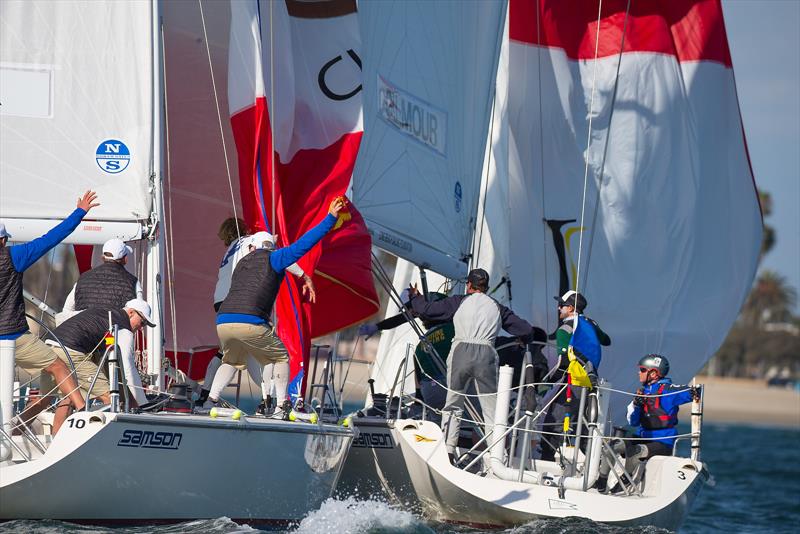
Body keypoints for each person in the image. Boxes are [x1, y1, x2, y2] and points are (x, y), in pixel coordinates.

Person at [205, 197, 347, 416]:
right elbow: (305, 243)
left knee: (231, 359)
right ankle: (281, 405)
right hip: (249, 319)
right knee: (279, 356)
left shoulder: (242, 260)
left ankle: (209, 400)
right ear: (271, 247)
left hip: (223, 319)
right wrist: (330, 218)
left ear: (253, 246)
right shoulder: (275, 257)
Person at [407, 268, 535, 465]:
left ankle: (448, 452)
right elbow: (526, 329)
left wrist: (415, 298)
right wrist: (523, 339)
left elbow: (427, 310)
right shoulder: (497, 307)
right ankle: (497, 459)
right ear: (487, 287)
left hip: (460, 355)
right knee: (491, 412)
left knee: (453, 406)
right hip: (486, 357)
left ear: (468, 285)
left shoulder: (458, 302)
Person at [0, 192, 99, 435]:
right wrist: (80, 212)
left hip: (13, 338)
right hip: (14, 337)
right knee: (59, 367)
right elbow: (51, 239)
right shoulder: (14, 256)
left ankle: (16, 430)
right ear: (3, 240)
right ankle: (83, 409)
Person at [195, 221, 317, 412]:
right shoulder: (250, 242)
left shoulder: (230, 250)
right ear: (246, 231)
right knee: (268, 354)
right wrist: (303, 275)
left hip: (222, 302)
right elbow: (283, 257)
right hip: (240, 299)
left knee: (230, 354)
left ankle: (207, 396)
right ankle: (272, 402)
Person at [33, 299, 157, 428]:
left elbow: (112, 360)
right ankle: (112, 439)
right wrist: (141, 404)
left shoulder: (106, 315)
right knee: (109, 398)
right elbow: (127, 368)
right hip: (71, 351)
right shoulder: (122, 328)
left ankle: (16, 431)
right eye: (142, 322)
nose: (141, 327)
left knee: (52, 399)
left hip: (51, 346)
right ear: (131, 312)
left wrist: (130, 398)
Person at [596, 354, 699, 492]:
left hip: (663, 442)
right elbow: (633, 422)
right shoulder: (642, 392)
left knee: (636, 451)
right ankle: (601, 482)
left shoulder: (669, 390)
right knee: (611, 446)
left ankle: (625, 481)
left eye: (643, 370)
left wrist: (695, 391)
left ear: (654, 373)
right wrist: (637, 405)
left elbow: (690, 392)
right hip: (643, 436)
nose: (639, 373)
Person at [540, 290, 611, 461]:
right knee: (585, 426)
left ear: (571, 308)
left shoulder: (564, 328)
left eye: (562, 305)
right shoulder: (589, 323)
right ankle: (597, 465)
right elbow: (606, 340)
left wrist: (544, 383)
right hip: (591, 380)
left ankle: (546, 458)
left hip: (573, 380)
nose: (559, 308)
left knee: (553, 422)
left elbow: (562, 362)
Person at [58, 237, 143, 322]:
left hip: (84, 332)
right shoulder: (133, 282)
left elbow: (67, 310)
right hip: (115, 333)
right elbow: (140, 313)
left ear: (103, 256)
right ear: (125, 259)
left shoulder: (83, 278)